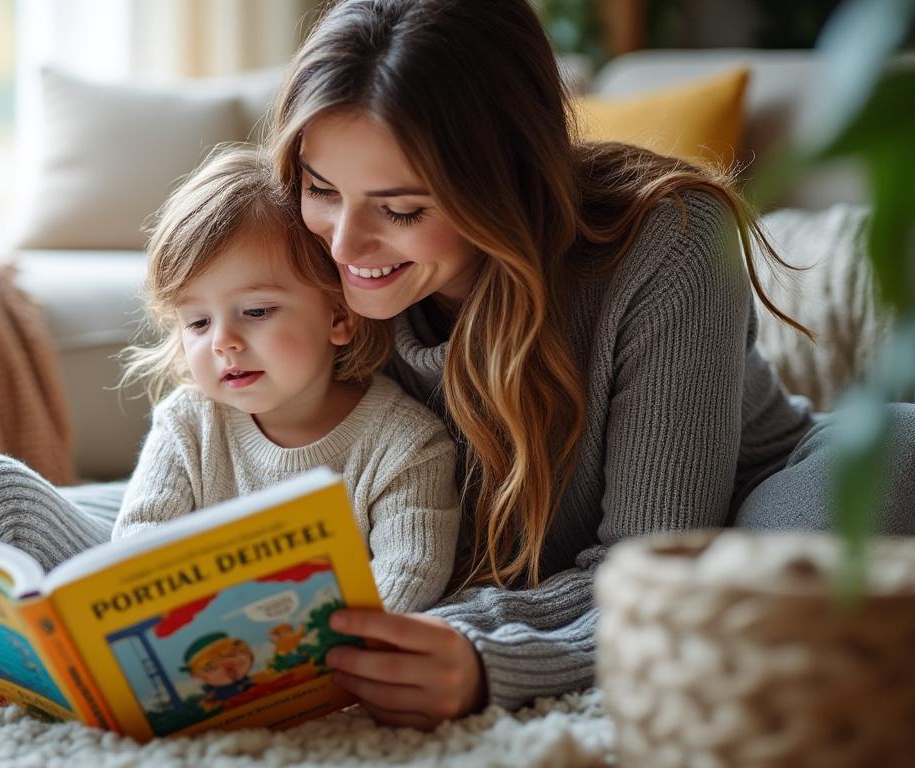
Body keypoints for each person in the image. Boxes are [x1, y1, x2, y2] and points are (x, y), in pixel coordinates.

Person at [262, 0, 915, 730]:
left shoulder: (672, 242)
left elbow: (652, 562)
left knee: (792, 556)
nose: (344, 244)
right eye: (322, 190)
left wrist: (485, 653)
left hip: (751, 506)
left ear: (505, 180)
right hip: (593, 580)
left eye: (402, 210)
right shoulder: (301, 265)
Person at [0, 145, 461, 699]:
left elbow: (408, 582)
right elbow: (136, 547)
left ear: (338, 316)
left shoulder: (404, 443)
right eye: (196, 323)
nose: (223, 342)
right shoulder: (190, 419)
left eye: (256, 312)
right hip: (165, 622)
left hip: (289, 648)